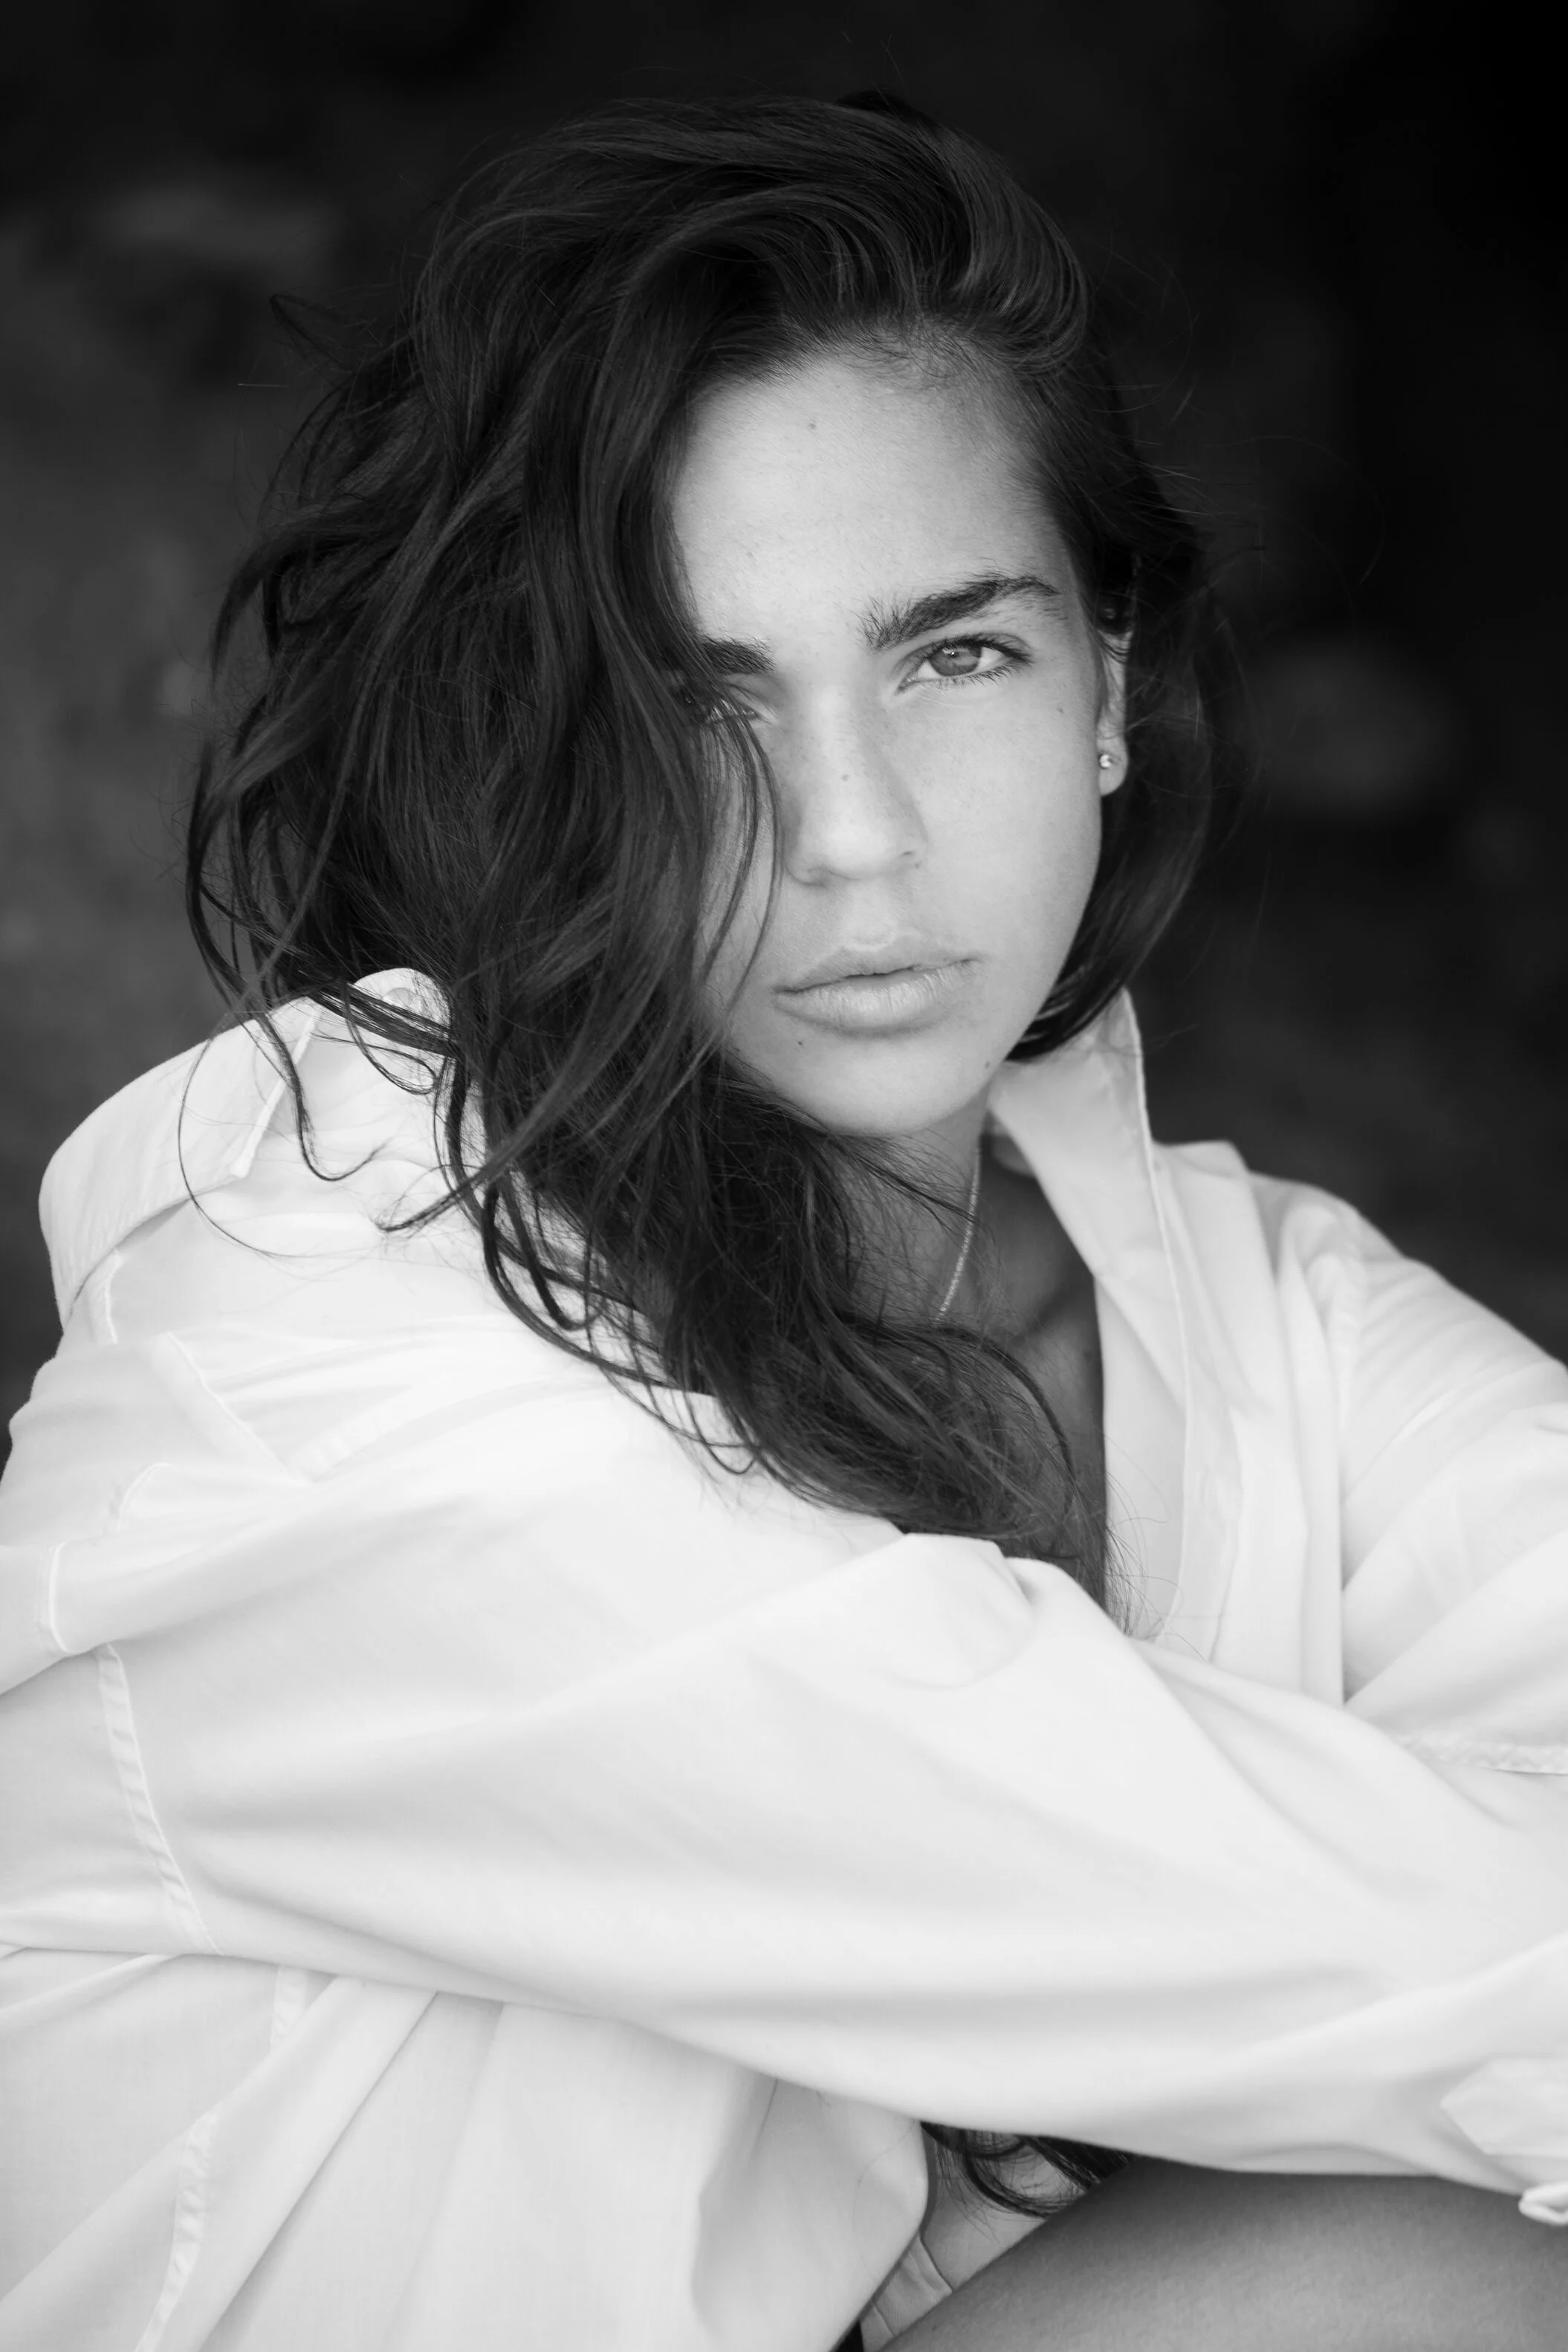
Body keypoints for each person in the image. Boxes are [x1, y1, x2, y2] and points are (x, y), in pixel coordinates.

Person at [2, 91, 1567, 2352]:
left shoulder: (1250, 1303)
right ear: (535, 759)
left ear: (1110, 687)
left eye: (952, 655)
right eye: (693, 704)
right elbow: (1409, 1964)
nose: (849, 837)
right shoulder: (327, 1348)